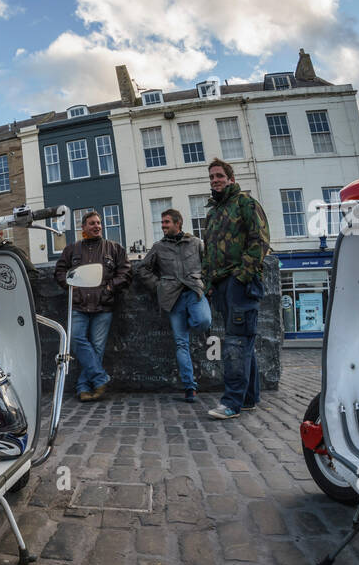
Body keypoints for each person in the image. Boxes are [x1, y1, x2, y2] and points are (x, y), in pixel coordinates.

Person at [200, 158, 270, 419]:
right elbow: (208, 252)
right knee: (243, 344)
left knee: (235, 345)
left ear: (230, 178)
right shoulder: (214, 213)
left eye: (219, 176)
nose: (215, 180)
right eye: (211, 177)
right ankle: (249, 398)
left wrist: (241, 276)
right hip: (220, 286)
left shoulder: (245, 203)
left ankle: (231, 403)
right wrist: (208, 283)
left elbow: (260, 241)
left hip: (240, 284)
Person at [134, 209, 210, 402]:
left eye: (167, 222)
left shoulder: (195, 243)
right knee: (181, 343)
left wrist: (207, 284)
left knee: (204, 322)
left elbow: (209, 264)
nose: (163, 225)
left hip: (194, 292)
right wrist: (158, 286)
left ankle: (189, 325)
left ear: (178, 223)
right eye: (162, 222)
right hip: (172, 299)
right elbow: (143, 269)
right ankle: (189, 387)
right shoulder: (158, 247)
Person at [54, 210, 131, 401]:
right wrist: (73, 287)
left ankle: (83, 388)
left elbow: (126, 272)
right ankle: (100, 378)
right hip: (79, 305)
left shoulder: (114, 248)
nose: (96, 226)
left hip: (103, 306)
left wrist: (110, 288)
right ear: (84, 227)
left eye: (98, 223)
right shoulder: (72, 249)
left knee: (97, 348)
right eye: (92, 223)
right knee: (76, 340)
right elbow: (59, 272)